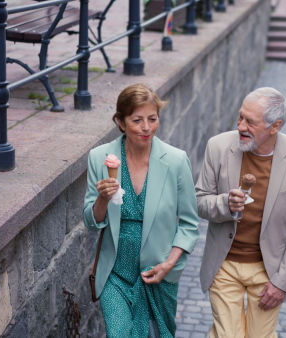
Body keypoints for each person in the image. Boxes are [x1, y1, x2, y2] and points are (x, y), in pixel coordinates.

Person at [196, 87, 286, 338]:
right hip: (224, 264)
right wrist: (225, 204)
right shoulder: (218, 146)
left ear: (275, 126)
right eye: (240, 117)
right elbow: (199, 202)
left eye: (250, 122)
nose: (241, 126)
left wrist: (282, 282)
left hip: (269, 269)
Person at [83, 83, 200, 338]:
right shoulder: (99, 157)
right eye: (137, 120)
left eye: (152, 119)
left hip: (158, 272)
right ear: (121, 122)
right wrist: (103, 198)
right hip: (116, 272)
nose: (146, 128)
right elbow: (92, 223)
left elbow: (190, 223)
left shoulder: (175, 160)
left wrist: (169, 264)